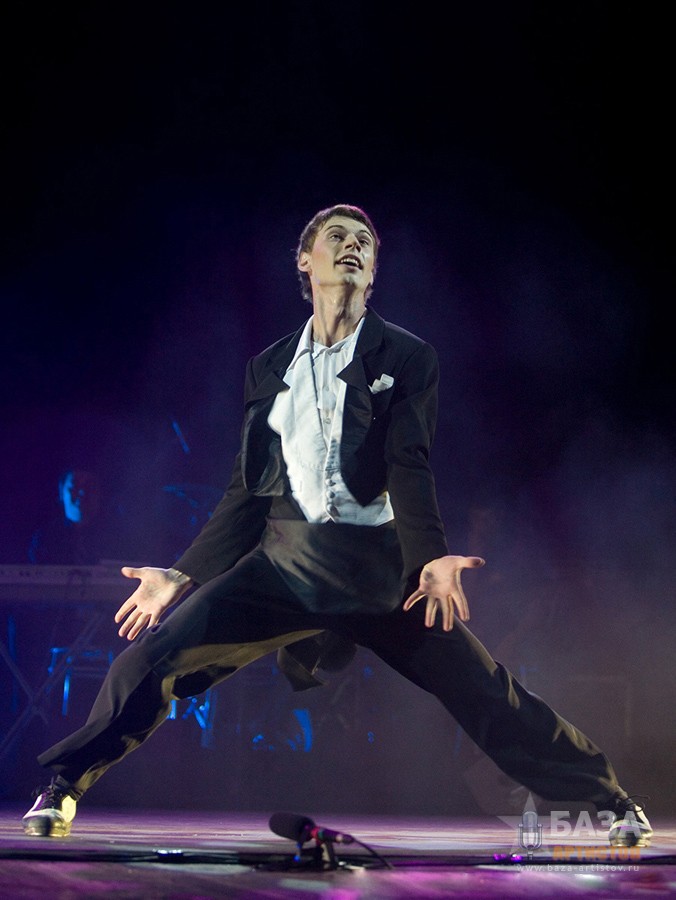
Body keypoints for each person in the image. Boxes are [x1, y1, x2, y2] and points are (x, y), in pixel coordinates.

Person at [22, 204, 651, 847]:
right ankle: (64, 785)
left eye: (365, 242)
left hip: (379, 573)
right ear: (306, 260)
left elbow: (409, 463)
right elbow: (249, 491)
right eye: (337, 236)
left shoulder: (407, 356)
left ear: (372, 271)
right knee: (151, 660)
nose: (352, 246)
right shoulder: (269, 367)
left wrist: (429, 558)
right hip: (285, 566)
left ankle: (611, 802)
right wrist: (182, 574)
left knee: (485, 691)